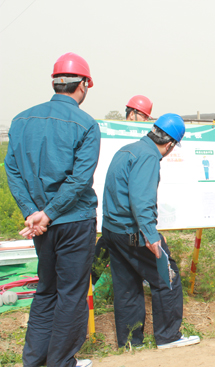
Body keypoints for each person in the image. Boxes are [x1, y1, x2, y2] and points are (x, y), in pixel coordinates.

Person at [5, 52, 99, 367]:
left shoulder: (20, 120)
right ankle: (62, 362)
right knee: (71, 293)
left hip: (40, 226)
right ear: (83, 84)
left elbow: (12, 170)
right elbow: (79, 180)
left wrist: (33, 212)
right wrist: (49, 213)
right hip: (73, 220)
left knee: (46, 290)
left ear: (55, 82)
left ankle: (33, 360)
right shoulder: (86, 124)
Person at [101, 113, 199, 350]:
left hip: (112, 231)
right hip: (133, 232)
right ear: (170, 144)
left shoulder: (128, 149)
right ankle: (168, 336)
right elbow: (141, 200)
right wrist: (151, 235)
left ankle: (131, 342)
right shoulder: (148, 157)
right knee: (168, 277)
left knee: (127, 286)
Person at [92, 94, 154, 286]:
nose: (145, 121)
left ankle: (93, 278)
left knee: (113, 240)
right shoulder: (118, 135)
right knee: (111, 240)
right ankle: (91, 279)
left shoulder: (142, 139)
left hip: (128, 204)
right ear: (133, 114)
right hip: (119, 201)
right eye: (144, 116)